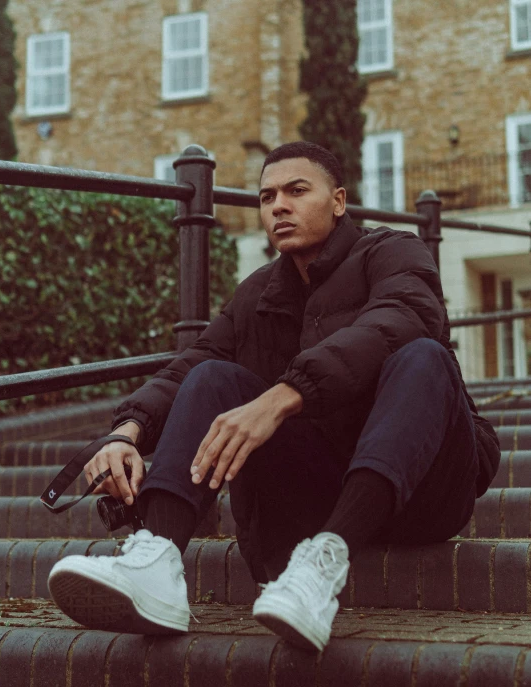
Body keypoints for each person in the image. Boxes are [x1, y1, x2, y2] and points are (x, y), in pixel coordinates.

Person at [48, 141, 500, 652]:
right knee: (215, 376)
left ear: (338, 200)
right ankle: (157, 563)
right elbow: (192, 365)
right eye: (266, 197)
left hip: (426, 486)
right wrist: (126, 432)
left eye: (296, 190)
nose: (278, 206)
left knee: (422, 356)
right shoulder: (258, 293)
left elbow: (403, 318)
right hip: (323, 483)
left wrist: (284, 395)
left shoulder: (394, 251)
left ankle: (322, 567)